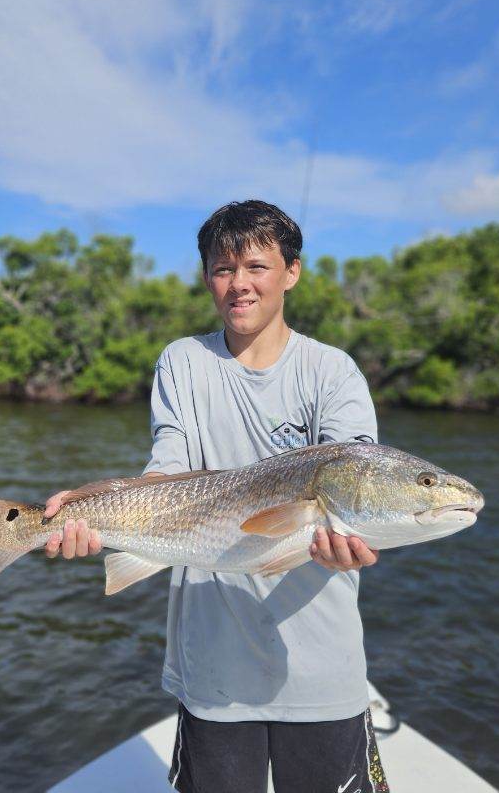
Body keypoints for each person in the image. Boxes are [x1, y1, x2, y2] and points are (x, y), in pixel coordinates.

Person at [42, 200, 389, 793]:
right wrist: (92, 507)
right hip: (213, 667)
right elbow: (168, 471)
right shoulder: (182, 361)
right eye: (224, 269)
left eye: (257, 265)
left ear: (292, 272)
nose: (240, 284)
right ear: (208, 279)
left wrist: (347, 541)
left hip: (321, 669)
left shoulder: (333, 373)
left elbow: (351, 471)